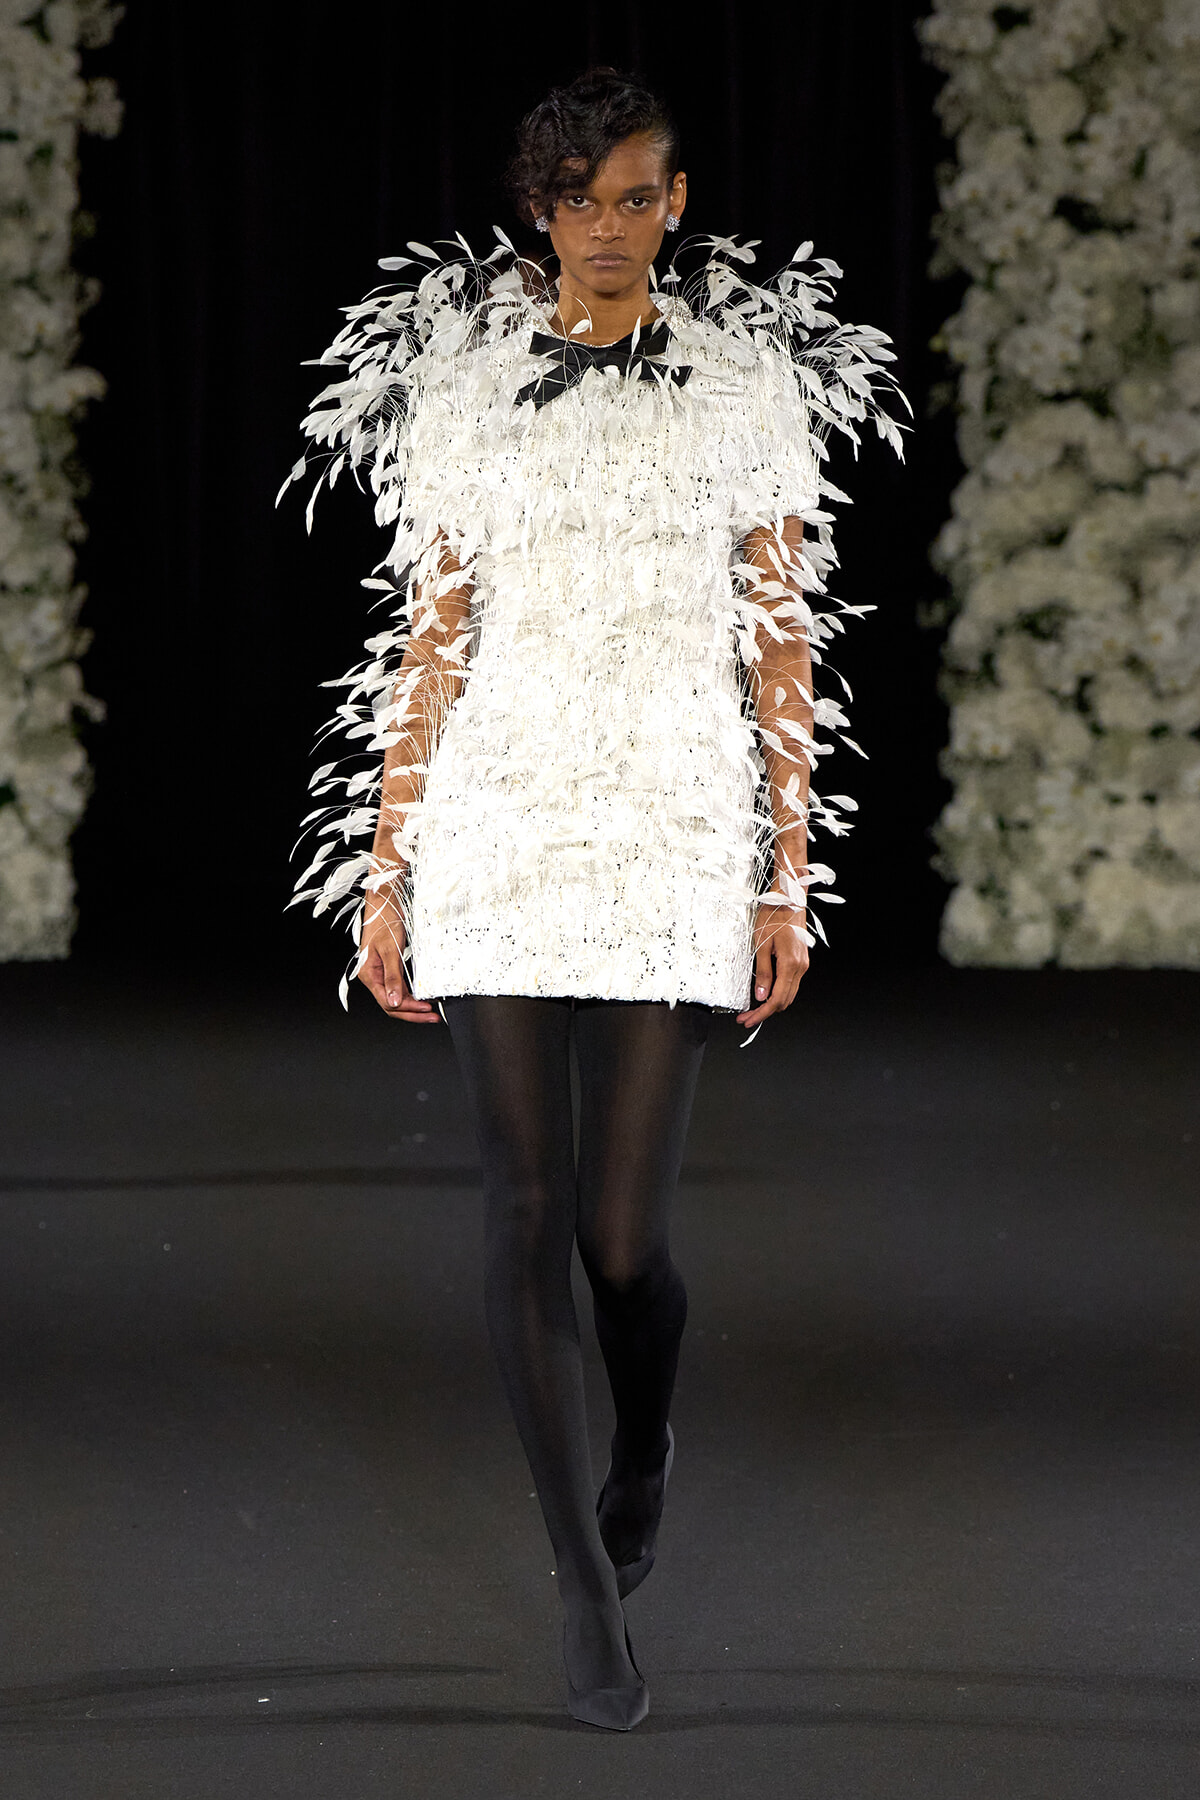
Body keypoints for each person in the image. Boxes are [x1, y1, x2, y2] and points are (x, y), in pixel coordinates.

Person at [281, 67, 905, 1730]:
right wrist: (387, 863)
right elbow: (434, 639)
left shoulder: (746, 388)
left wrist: (789, 866)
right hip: (500, 811)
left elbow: (782, 635)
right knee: (519, 1208)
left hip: (676, 817)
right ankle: (582, 1588)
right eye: (579, 199)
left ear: (677, 204)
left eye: (638, 196)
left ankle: (645, 1447)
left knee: (624, 1242)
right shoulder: (468, 391)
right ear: (536, 210)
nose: (609, 227)